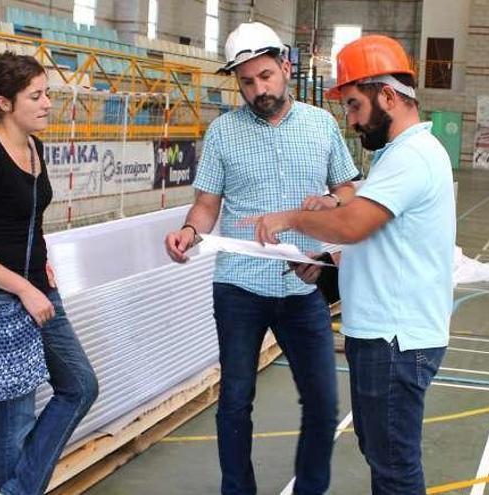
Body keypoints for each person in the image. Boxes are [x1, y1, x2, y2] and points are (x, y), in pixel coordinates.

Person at [246, 35, 455, 495]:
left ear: (388, 96)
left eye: (356, 105)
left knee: (394, 469)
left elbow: (354, 225)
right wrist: (326, 262)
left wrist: (288, 218)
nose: (353, 120)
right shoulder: (397, 156)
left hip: (393, 339)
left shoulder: (412, 156)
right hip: (384, 335)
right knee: (385, 458)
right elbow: (383, 241)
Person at [164, 22, 359, 495]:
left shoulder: (322, 124)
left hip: (302, 285)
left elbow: (348, 192)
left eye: (266, 76)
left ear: (285, 68)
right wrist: (190, 231)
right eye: (247, 82)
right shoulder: (223, 132)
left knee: (321, 403)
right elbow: (208, 204)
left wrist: (329, 218)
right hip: (237, 287)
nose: (259, 90)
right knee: (234, 401)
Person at [0, 52, 98, 495]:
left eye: (47, 93)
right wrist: (24, 288)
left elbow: (26, 216)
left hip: (39, 288)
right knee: (16, 420)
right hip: (1, 298)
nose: (48, 103)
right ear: (5, 102)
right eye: (37, 95)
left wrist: (42, 263)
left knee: (80, 386)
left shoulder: (35, 147)